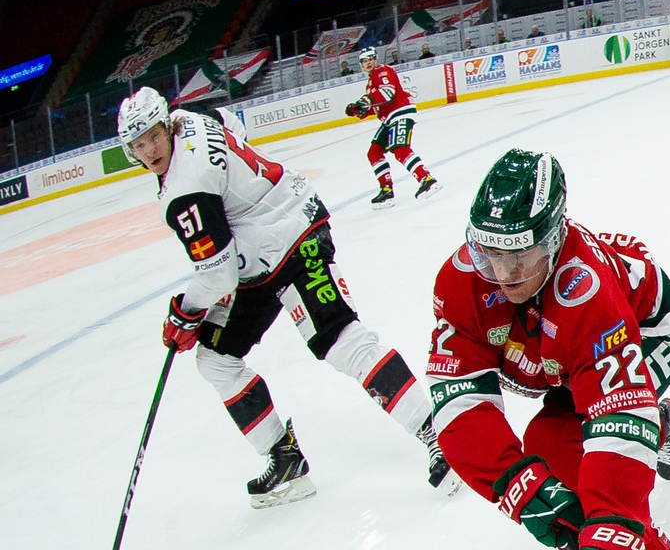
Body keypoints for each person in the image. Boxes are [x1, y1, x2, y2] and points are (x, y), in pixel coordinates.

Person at [424, 148, 670, 550]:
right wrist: (518, 486)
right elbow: (459, 404)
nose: (503, 274)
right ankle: (666, 421)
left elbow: (617, 424)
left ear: (554, 241)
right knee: (546, 459)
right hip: (566, 367)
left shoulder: (587, 293)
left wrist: (612, 533)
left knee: (558, 445)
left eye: (520, 257)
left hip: (650, 334)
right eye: (490, 254)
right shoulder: (461, 282)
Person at [115, 87, 449, 506]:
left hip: (292, 238)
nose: (148, 150)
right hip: (261, 251)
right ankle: (284, 457)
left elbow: (216, 275)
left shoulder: (186, 189)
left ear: (166, 125)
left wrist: (186, 312)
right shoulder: (192, 117)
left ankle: (439, 435)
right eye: (138, 144)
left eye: (152, 137)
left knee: (339, 340)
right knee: (215, 359)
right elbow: (230, 122)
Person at [346, 48, 436, 208]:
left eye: (370, 59)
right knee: (374, 152)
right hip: (389, 119)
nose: (368, 63)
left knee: (400, 148)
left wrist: (365, 101)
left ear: (376, 59)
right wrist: (357, 109)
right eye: (364, 61)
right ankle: (386, 190)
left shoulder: (382, 71)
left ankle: (427, 179)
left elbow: (388, 93)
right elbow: (376, 105)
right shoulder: (370, 83)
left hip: (400, 112)